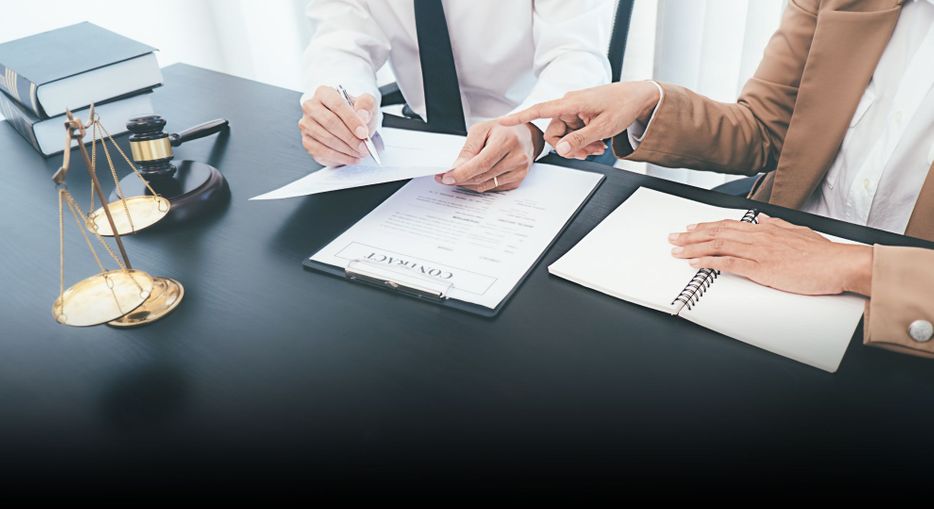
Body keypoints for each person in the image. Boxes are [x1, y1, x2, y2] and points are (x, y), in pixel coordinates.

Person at [502, 0, 934, 358]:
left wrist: (856, 265)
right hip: (772, 265)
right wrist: (649, 102)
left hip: (896, 311)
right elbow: (767, 128)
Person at [298, 0, 613, 193]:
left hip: (537, 134)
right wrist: (341, 111)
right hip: (420, 143)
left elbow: (577, 56)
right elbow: (340, 42)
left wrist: (531, 131)